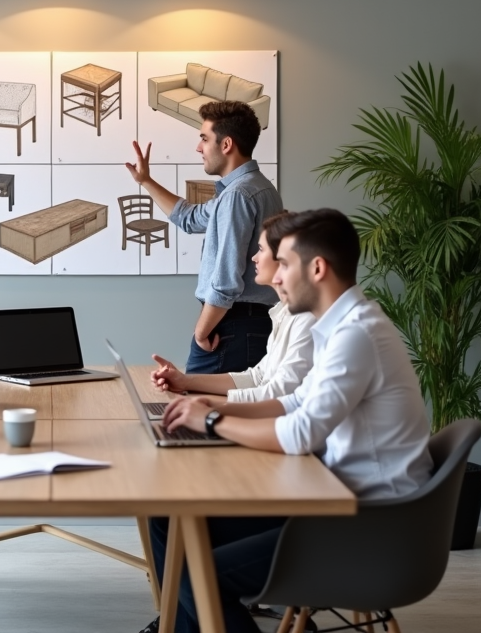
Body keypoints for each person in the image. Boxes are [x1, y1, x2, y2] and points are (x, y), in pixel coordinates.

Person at [140, 209, 433, 633]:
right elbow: (294, 400)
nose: (276, 275)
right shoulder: (342, 327)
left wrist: (211, 422)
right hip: (334, 501)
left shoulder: (356, 335)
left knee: (196, 572)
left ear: (317, 268)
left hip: (366, 528)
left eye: (286, 263)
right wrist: (203, 406)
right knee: (172, 519)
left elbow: (299, 433)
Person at [126, 100, 283, 374]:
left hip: (232, 327)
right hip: (246, 325)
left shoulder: (237, 196)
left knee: (198, 411)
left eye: (204, 138)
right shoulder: (255, 188)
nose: (198, 148)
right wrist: (146, 181)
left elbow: (225, 281)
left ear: (226, 145)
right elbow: (189, 218)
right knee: (224, 412)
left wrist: (200, 333)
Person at [148, 212, 315, 403]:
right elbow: (257, 377)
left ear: (285, 258)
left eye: (261, 249)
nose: (254, 258)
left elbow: (279, 394)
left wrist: (207, 405)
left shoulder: (307, 319)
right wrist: (184, 382)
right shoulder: (284, 312)